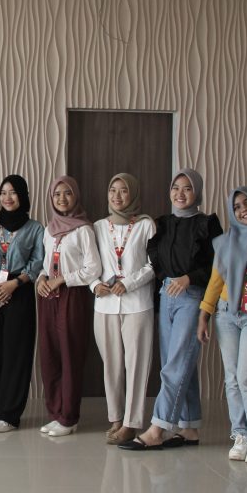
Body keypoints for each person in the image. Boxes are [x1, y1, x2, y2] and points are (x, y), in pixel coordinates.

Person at [119, 168, 222, 450]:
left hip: (192, 296)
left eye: (187, 188)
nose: (180, 194)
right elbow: (154, 258)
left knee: (177, 362)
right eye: (176, 188)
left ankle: (158, 429)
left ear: (197, 193)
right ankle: (189, 428)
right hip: (166, 296)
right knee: (176, 362)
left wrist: (189, 278)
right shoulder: (162, 223)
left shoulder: (207, 224)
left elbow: (219, 266)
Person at [198, 187, 247, 465]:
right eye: (237, 206)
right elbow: (216, 281)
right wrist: (204, 314)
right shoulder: (226, 242)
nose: (244, 209)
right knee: (231, 378)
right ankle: (240, 434)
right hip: (227, 314)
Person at [90, 174, 155, 445]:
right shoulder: (97, 227)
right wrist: (94, 284)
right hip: (105, 305)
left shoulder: (146, 225)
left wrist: (128, 283)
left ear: (133, 194)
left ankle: (131, 423)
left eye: (124, 190)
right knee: (112, 365)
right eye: (112, 190)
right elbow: (90, 263)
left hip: (137, 304)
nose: (117, 196)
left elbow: (154, 264)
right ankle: (116, 418)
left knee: (136, 364)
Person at [36, 175, 101, 437]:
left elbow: (93, 268)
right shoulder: (49, 229)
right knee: (49, 356)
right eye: (57, 194)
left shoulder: (83, 229)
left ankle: (69, 417)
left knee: (70, 355)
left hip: (72, 297)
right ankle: (56, 413)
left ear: (76, 196)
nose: (62, 199)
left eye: (68, 193)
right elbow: (45, 263)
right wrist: (42, 278)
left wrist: (63, 279)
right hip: (47, 297)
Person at [0, 175, 44, 433]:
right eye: (3, 192)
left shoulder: (35, 228)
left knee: (17, 352)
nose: (7, 197)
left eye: (13, 192)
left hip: (20, 290)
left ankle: (10, 414)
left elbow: (38, 261)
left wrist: (14, 284)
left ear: (23, 196)